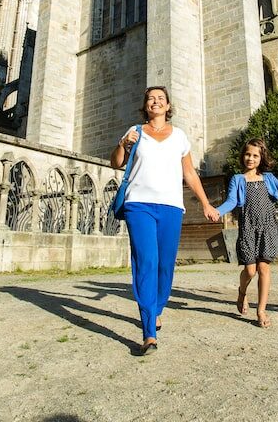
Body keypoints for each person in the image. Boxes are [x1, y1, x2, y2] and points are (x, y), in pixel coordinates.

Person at [111, 86, 220, 355]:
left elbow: (190, 174)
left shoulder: (180, 136)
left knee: (165, 265)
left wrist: (206, 203)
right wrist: (123, 145)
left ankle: (157, 308)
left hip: (171, 207)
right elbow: (116, 163)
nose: (156, 102)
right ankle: (148, 330)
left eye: (161, 98)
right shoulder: (134, 132)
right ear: (145, 105)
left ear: (168, 106)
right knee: (146, 262)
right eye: (151, 98)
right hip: (139, 205)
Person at [217, 138, 278, 328]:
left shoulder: (269, 178)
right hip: (248, 228)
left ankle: (261, 310)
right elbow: (232, 201)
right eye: (248, 154)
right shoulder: (238, 179)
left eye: (255, 155)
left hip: (268, 228)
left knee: (264, 268)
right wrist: (218, 211)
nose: (251, 158)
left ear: (261, 157)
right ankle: (242, 292)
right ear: (243, 156)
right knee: (250, 270)